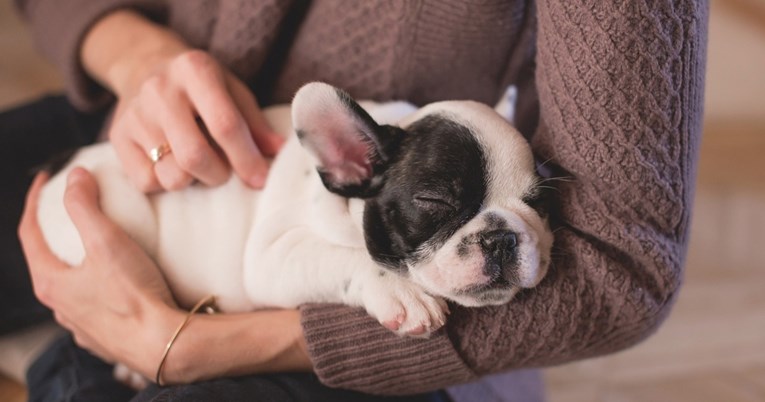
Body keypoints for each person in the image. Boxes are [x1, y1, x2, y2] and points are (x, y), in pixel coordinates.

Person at [2, 0, 708, 401]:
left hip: (320, 316)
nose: (500, 235)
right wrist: (132, 53)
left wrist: (183, 346)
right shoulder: (358, 163)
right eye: (442, 206)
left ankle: (64, 362)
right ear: (345, 166)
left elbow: (623, 265)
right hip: (149, 136)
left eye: (533, 204)